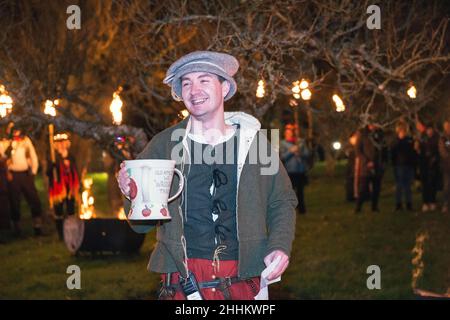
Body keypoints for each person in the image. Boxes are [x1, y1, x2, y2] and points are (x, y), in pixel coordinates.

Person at [117, 51, 298, 300]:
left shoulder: (255, 143)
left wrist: (279, 245)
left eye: (204, 80)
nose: (194, 90)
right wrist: (131, 192)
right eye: (186, 83)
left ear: (224, 88)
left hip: (245, 278)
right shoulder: (165, 144)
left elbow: (281, 200)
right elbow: (141, 224)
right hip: (184, 281)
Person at [0, 123, 43, 236]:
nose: (14, 131)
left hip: (25, 174)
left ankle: (37, 226)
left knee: (34, 199)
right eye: (11, 129)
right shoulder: (5, 142)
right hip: (13, 175)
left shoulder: (25, 141)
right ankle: (17, 229)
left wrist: (33, 171)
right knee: (14, 202)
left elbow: (33, 156)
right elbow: (2, 156)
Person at [47, 133, 80, 240]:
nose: (61, 145)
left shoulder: (71, 156)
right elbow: (48, 173)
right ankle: (61, 234)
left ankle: (71, 232)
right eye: (58, 143)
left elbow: (75, 170)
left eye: (63, 142)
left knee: (71, 210)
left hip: (70, 187)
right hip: (58, 188)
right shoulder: (53, 157)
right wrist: (52, 167)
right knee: (59, 211)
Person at [354, 123, 387, 213]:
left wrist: (382, 161)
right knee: (363, 187)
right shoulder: (363, 134)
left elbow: (383, 148)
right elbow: (358, 150)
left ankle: (374, 206)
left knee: (376, 187)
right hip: (366, 165)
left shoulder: (380, 134)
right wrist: (366, 161)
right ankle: (358, 207)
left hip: (377, 165)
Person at [279, 124, 310, 213]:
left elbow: (307, 154)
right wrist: (291, 152)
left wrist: (300, 152)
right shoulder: (283, 143)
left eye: (289, 132)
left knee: (300, 190)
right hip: (290, 171)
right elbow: (282, 157)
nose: (288, 134)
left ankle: (302, 209)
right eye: (286, 133)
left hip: (300, 170)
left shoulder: (300, 142)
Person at [391, 122, 417, 211]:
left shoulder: (409, 140)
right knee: (399, 185)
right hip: (400, 165)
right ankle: (399, 204)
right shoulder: (396, 142)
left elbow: (413, 153)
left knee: (407, 186)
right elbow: (393, 154)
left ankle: (408, 204)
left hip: (407, 165)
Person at [418, 124, 440, 212]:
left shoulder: (437, 138)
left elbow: (444, 145)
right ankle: (425, 202)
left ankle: (432, 201)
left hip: (434, 164)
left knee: (433, 184)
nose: (429, 131)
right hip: (424, 164)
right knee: (425, 184)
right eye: (428, 129)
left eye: (431, 129)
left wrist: (435, 158)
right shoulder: (422, 139)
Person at [438, 120, 450, 213]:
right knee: (446, 186)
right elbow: (443, 151)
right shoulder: (443, 138)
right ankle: (445, 204)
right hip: (447, 166)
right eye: (446, 126)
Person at [345, 131, 359, 202]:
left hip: (355, 167)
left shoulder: (357, 146)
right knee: (351, 181)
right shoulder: (351, 147)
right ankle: (351, 196)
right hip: (351, 168)